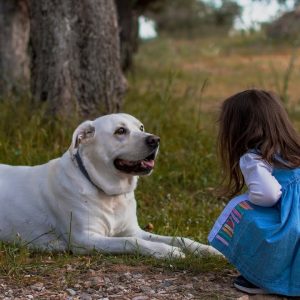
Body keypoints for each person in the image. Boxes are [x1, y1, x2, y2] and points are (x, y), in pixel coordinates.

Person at [208, 89, 300, 296]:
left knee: (243, 209)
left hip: (293, 229)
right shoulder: (294, 151)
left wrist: (248, 198)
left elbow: (268, 195)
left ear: (237, 130)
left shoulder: (255, 158)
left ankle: (263, 276)